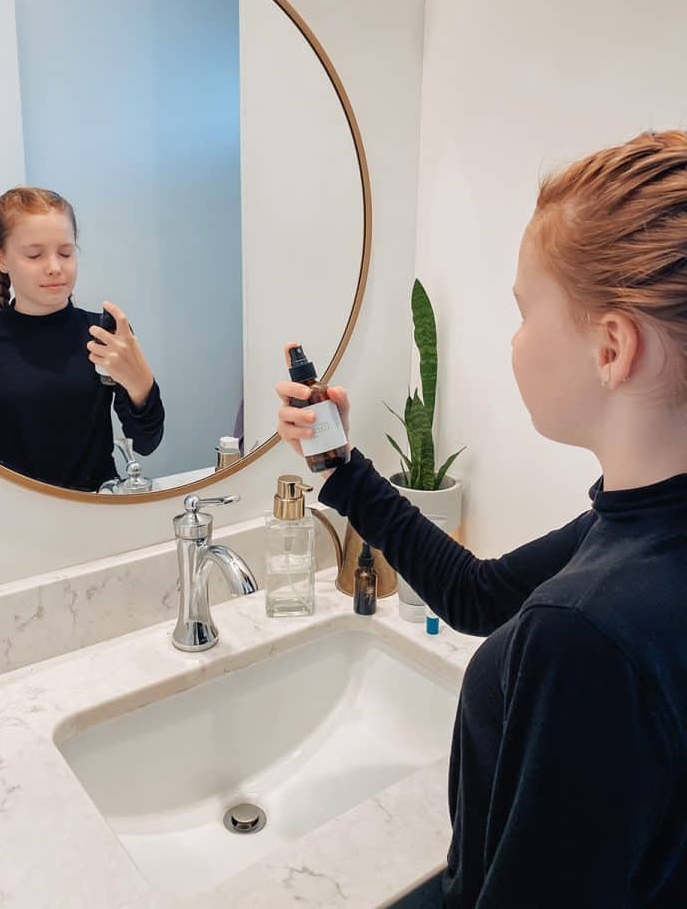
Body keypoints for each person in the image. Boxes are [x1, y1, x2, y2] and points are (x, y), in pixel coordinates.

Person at [276, 130, 687, 907]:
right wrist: (342, 469)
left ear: (611, 347)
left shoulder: (587, 633)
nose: (514, 341)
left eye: (525, 312)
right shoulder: (641, 529)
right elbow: (479, 593)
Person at [0, 187, 164, 491]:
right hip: (16, 513)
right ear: (2, 259)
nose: (54, 267)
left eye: (65, 252)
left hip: (98, 510)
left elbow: (146, 442)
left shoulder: (104, 333)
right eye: (34, 255)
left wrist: (142, 385)